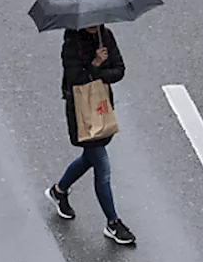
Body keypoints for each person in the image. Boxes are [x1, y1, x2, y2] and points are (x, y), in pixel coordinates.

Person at [45, 25, 136, 245]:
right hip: (81, 112)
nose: (94, 25)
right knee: (102, 166)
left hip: (101, 106)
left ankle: (59, 191)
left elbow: (119, 70)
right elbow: (75, 79)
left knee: (89, 158)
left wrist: (99, 70)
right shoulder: (71, 45)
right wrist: (96, 64)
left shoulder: (105, 37)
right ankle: (113, 223)